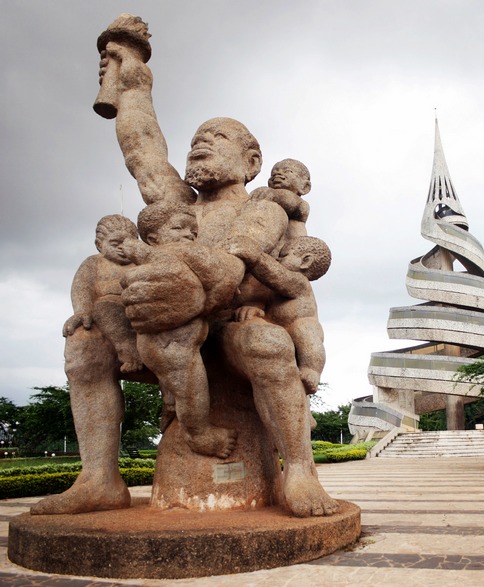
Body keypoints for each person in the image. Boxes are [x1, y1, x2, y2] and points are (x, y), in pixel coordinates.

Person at [32, 31, 338, 518]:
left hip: (228, 328)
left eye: (214, 140)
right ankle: (98, 478)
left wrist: (188, 295)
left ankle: (299, 471)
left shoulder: (265, 210)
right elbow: (143, 148)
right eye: (195, 141)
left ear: (251, 161)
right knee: (85, 344)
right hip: (166, 331)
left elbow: (238, 266)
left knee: (268, 346)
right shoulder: (177, 207)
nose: (199, 147)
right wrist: (133, 77)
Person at [122, 201, 243, 457]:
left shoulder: (150, 259)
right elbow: (221, 279)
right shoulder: (186, 254)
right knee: (191, 388)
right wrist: (211, 302)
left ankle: (170, 402)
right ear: (153, 238)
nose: (188, 235)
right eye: (178, 228)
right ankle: (199, 435)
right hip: (171, 342)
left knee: (179, 386)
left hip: (162, 341)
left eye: (193, 231)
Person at [230, 236, 331, 395]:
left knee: (305, 331)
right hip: (280, 330)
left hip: (300, 327)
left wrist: (256, 257)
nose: (277, 259)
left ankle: (311, 369)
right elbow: (266, 301)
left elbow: (277, 277)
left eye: (283, 256)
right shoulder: (274, 290)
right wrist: (257, 309)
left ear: (305, 261)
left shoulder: (299, 282)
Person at [62, 215, 142, 374]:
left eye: (128, 243)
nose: (122, 248)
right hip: (110, 309)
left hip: (139, 307)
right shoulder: (94, 263)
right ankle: (128, 349)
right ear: (99, 245)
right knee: (104, 307)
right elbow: (81, 287)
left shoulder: (140, 262)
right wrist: (83, 310)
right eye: (115, 243)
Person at [250, 158, 312, 241]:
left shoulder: (301, 204)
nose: (278, 174)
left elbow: (288, 200)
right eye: (273, 174)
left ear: (305, 187)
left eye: (287, 171)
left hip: (294, 247)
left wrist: (271, 194)